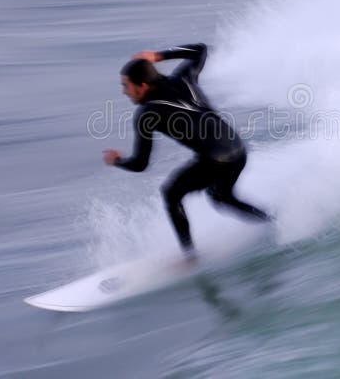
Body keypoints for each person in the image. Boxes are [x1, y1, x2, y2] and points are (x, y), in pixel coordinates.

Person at [103, 43, 272, 256]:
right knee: (221, 197)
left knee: (171, 193)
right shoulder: (183, 78)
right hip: (238, 150)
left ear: (143, 85)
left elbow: (140, 164)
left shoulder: (147, 114)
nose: (124, 92)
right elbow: (200, 50)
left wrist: (116, 160)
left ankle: (190, 256)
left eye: (126, 86)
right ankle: (273, 222)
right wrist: (158, 55)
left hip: (215, 160)